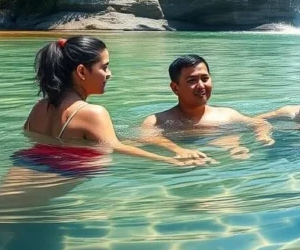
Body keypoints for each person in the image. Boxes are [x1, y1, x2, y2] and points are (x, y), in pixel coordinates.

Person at [16, 36, 193, 171]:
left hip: (26, 165)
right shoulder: (93, 113)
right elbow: (115, 147)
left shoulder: (40, 106)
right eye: (104, 67)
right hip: (61, 175)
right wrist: (171, 160)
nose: (109, 74)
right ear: (82, 71)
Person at [139, 55, 275, 162]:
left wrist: (262, 137)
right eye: (192, 81)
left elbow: (260, 123)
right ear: (175, 88)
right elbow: (147, 138)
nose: (201, 86)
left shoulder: (227, 115)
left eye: (205, 78)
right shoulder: (158, 121)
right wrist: (179, 150)